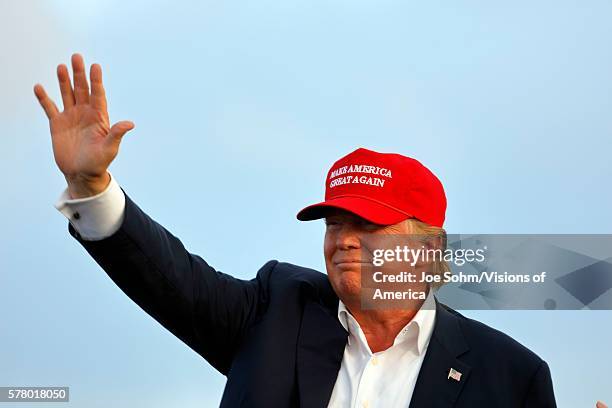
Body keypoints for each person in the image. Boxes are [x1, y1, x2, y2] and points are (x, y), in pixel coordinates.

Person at [35, 53, 559, 407]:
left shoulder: (510, 376)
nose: (344, 239)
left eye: (369, 224)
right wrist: (91, 184)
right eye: (335, 222)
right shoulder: (276, 310)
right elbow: (173, 281)